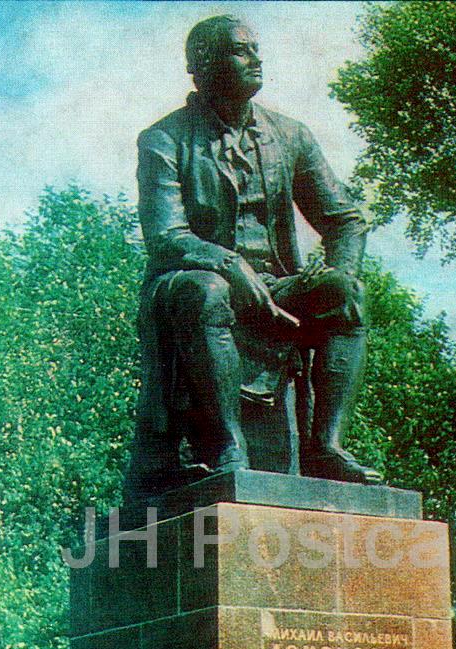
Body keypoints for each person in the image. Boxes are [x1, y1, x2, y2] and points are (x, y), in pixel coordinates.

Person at [123, 14, 382, 501]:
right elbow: (166, 237)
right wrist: (228, 264)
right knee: (208, 290)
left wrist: (338, 272)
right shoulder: (163, 140)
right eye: (241, 50)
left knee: (345, 294)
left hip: (276, 287)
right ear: (202, 65)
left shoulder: (290, 136)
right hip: (191, 283)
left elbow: (345, 220)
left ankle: (325, 446)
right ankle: (227, 446)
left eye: (256, 48)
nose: (256, 58)